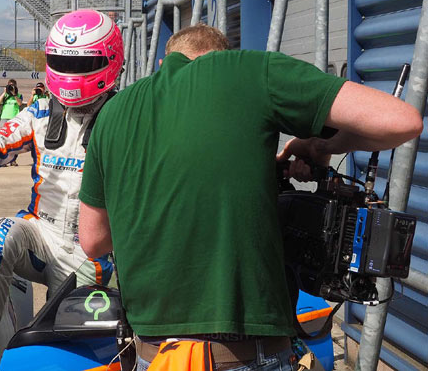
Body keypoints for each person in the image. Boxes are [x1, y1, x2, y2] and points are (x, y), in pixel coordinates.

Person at [78, 24, 423, 370]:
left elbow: (93, 240)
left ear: (162, 61)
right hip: (246, 356)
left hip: (152, 357)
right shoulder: (250, 70)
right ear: (223, 55)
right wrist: (318, 145)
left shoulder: (112, 112)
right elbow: (401, 120)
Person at [0, 8, 124, 353]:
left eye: (80, 63)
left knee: (65, 343)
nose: (69, 72)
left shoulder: (127, 116)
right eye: (61, 60)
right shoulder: (39, 113)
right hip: (39, 235)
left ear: (110, 60)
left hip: (89, 251)